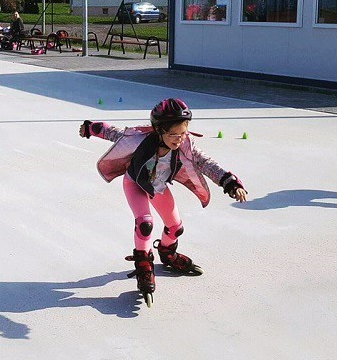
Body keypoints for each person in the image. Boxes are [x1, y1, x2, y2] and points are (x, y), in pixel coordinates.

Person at [79, 98, 247, 306]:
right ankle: (144, 265)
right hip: (135, 184)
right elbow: (113, 132)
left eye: (183, 132)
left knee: (175, 228)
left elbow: (205, 162)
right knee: (145, 223)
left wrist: (229, 183)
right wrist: (90, 128)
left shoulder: (186, 144)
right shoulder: (140, 140)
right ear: (159, 131)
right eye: (173, 134)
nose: (179, 139)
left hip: (157, 187)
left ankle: (167, 253)